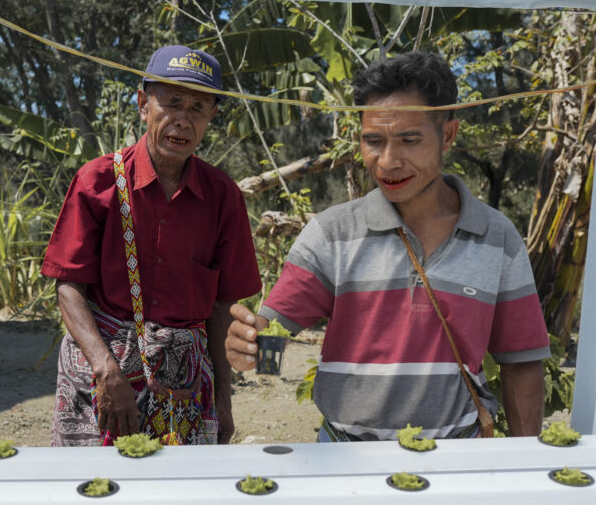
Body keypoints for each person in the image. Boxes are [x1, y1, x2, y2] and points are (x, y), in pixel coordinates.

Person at [226, 52, 549, 441]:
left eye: (409, 140)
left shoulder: (497, 237)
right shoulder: (331, 233)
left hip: (459, 458)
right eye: (373, 141)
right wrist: (249, 343)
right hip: (345, 459)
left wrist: (526, 461)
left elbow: (522, 364)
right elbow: (271, 333)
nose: (388, 161)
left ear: (448, 134)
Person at [41, 45, 261, 446]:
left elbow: (221, 307)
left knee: (179, 501)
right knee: (95, 494)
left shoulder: (223, 197)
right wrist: (106, 369)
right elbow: (69, 287)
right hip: (104, 373)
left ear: (211, 116)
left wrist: (224, 399)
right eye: (172, 102)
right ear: (143, 105)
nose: (183, 119)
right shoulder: (98, 182)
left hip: (186, 385)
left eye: (198, 107)